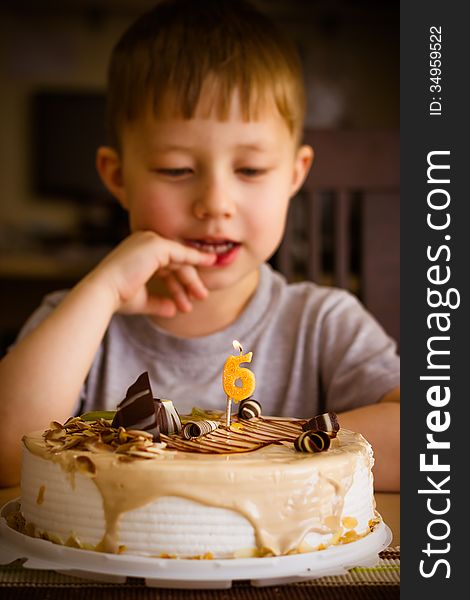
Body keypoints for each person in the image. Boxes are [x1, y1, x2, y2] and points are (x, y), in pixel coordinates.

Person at [0, 0, 399, 489]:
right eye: (176, 169)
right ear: (118, 176)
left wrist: (248, 446)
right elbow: (10, 454)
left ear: (295, 174)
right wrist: (101, 291)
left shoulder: (322, 323)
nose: (215, 203)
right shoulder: (80, 323)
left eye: (250, 170)